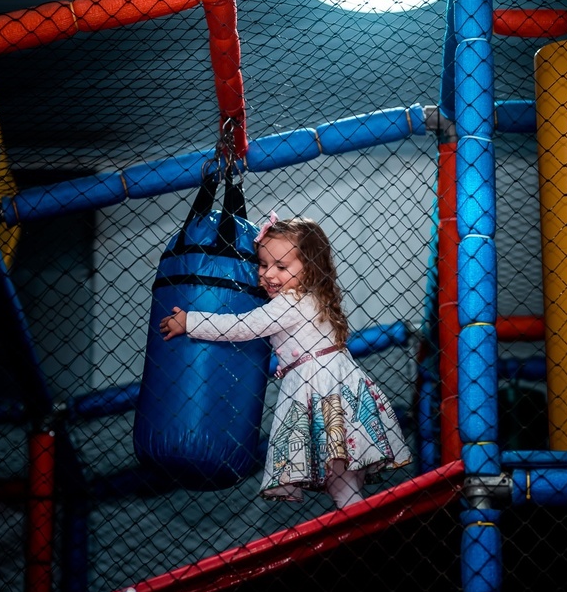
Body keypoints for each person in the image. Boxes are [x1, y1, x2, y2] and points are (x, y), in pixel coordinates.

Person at [159, 213, 411, 508]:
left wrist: (190, 320)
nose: (268, 275)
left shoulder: (290, 303)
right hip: (332, 384)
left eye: (281, 266)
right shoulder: (315, 297)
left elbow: (243, 326)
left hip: (317, 387)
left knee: (340, 477)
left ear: (310, 268)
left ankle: (359, 527)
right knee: (341, 476)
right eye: (263, 265)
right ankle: (357, 520)